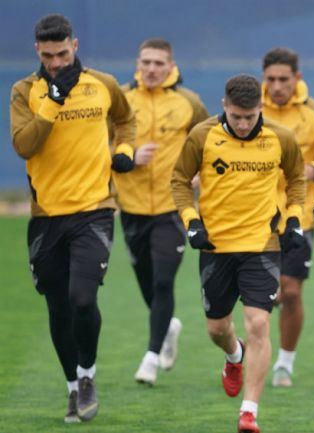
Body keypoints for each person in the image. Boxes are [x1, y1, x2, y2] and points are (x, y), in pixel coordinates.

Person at [10, 14, 136, 423]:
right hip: (46, 216)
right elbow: (24, 146)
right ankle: (71, 388)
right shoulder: (25, 91)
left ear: (75, 46)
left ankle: (87, 376)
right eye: (48, 56)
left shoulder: (102, 84)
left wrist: (126, 152)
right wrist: (52, 102)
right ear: (37, 52)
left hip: (94, 210)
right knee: (58, 307)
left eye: (62, 53)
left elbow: (125, 119)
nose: (56, 63)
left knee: (83, 298)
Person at [171, 74, 306, 433]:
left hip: (262, 245)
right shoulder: (202, 136)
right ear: (224, 107)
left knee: (260, 323)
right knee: (217, 327)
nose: (244, 124)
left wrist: (294, 219)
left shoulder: (281, 137)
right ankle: (234, 355)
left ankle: (249, 412)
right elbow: (179, 182)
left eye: (250, 116)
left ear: (260, 108)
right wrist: (191, 221)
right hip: (216, 247)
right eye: (236, 116)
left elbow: (296, 180)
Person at [114, 38, 209, 386]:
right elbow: (102, 143)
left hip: (172, 206)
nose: (151, 69)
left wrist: (198, 172)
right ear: (137, 64)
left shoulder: (189, 102)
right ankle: (168, 326)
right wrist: (127, 157)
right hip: (132, 207)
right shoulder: (121, 99)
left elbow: (208, 141)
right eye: (146, 62)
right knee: (147, 286)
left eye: (158, 63)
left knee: (163, 280)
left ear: (171, 66)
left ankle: (151, 357)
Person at [260, 47, 314, 386]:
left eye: (284, 79)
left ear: (297, 78)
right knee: (265, 291)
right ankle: (246, 352)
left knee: (291, 292)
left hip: (300, 218)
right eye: (271, 79)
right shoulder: (251, 111)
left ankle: (285, 361)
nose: (277, 86)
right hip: (255, 217)